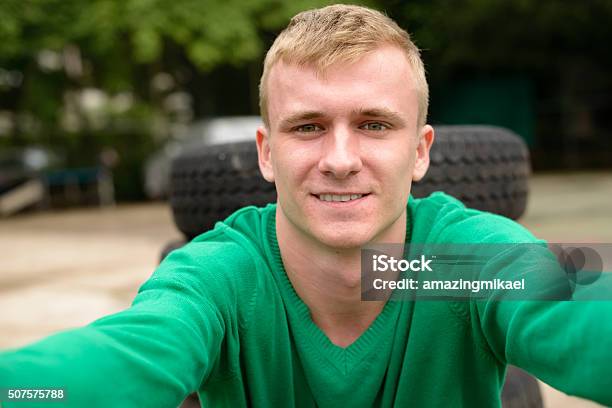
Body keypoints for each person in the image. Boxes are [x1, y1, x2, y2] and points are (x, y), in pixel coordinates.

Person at [1, 4, 611, 407]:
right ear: (266, 152)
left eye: (374, 125)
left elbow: (574, 306)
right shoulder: (223, 276)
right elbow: (124, 358)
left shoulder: (458, 262)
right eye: (308, 127)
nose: (340, 159)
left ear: (421, 151)